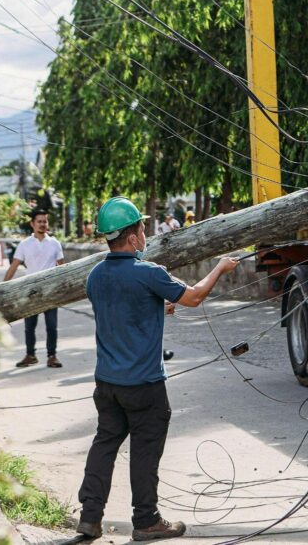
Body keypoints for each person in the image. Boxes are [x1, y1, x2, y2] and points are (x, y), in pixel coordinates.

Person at [76, 197, 238, 541]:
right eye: (142, 228)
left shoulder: (95, 276)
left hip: (107, 385)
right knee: (145, 452)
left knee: (104, 444)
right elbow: (193, 297)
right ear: (132, 236)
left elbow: (119, 311)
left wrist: (154, 309)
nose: (145, 234)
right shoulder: (149, 273)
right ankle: (146, 520)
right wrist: (220, 268)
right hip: (144, 386)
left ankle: (89, 518)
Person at [4, 209, 65, 368]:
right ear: (32, 224)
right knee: (29, 326)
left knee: (51, 326)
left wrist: (63, 288)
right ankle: (30, 355)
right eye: (39, 221)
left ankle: (52, 356)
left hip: (50, 291)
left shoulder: (54, 243)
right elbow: (14, 265)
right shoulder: (25, 244)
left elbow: (62, 267)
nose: (42, 224)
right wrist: (2, 287)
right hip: (30, 292)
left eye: (45, 221)